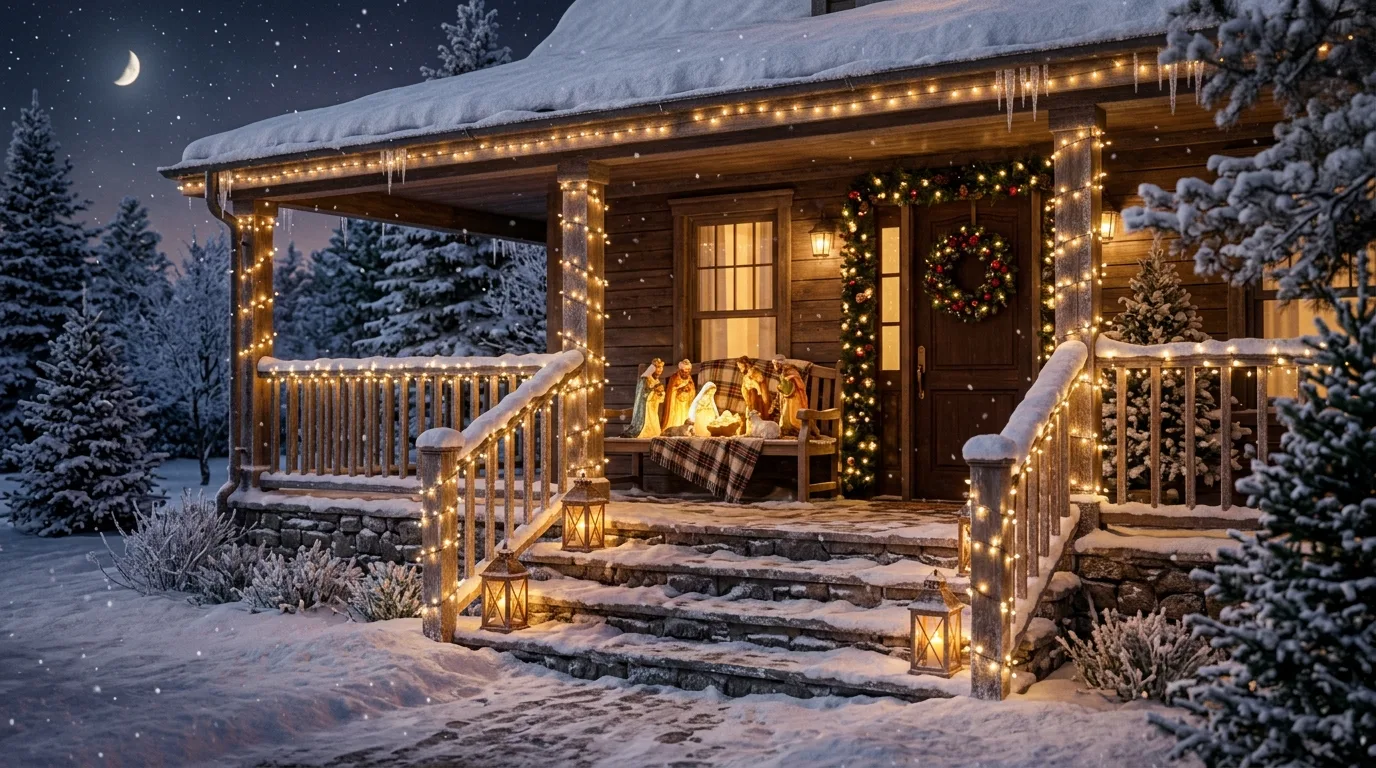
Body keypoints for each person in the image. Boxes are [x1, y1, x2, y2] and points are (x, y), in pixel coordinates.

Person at [623, 358, 664, 437]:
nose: (659, 372)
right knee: (648, 418)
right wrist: (654, 390)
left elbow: (659, 396)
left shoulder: (656, 380)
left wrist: (660, 393)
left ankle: (652, 431)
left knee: (653, 418)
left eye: (661, 369)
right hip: (646, 406)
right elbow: (643, 393)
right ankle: (645, 431)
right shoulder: (645, 379)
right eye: (658, 369)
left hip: (653, 405)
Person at [772, 355, 809, 437]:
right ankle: (788, 431)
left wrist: (779, 386)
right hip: (788, 399)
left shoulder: (789, 372)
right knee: (786, 417)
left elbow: (789, 388)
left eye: (775, 364)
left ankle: (797, 431)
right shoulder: (784, 372)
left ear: (779, 364)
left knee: (792, 417)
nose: (774, 367)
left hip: (794, 399)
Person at [662, 359, 696, 429]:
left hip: (686, 402)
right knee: (677, 416)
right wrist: (679, 389)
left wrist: (689, 389)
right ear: (680, 370)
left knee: (685, 414)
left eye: (687, 372)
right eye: (683, 371)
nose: (685, 374)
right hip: (677, 403)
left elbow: (692, 389)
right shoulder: (674, 378)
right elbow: (672, 390)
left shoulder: (689, 378)